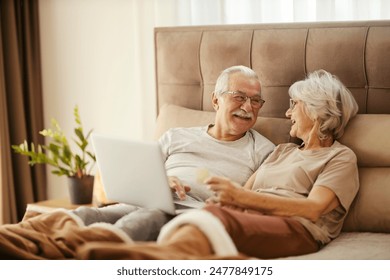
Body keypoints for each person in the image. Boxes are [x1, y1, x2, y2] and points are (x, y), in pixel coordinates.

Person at [77, 69, 360, 260]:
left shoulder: (339, 157)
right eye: (239, 97)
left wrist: (233, 199)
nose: (287, 113)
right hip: (241, 215)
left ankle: (123, 260)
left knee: (205, 220)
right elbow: (240, 198)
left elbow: (313, 210)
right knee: (95, 215)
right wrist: (222, 200)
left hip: (297, 226)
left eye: (294, 105)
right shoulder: (283, 151)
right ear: (216, 100)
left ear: (315, 109)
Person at [0, 65, 275, 259]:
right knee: (86, 215)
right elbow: (138, 173)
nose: (248, 107)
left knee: (147, 218)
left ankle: (88, 256)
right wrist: (161, 180)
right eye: (239, 97)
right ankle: (19, 239)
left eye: (256, 100)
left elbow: (257, 204)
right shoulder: (176, 135)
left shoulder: (263, 151)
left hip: (188, 215)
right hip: (145, 200)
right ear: (216, 100)